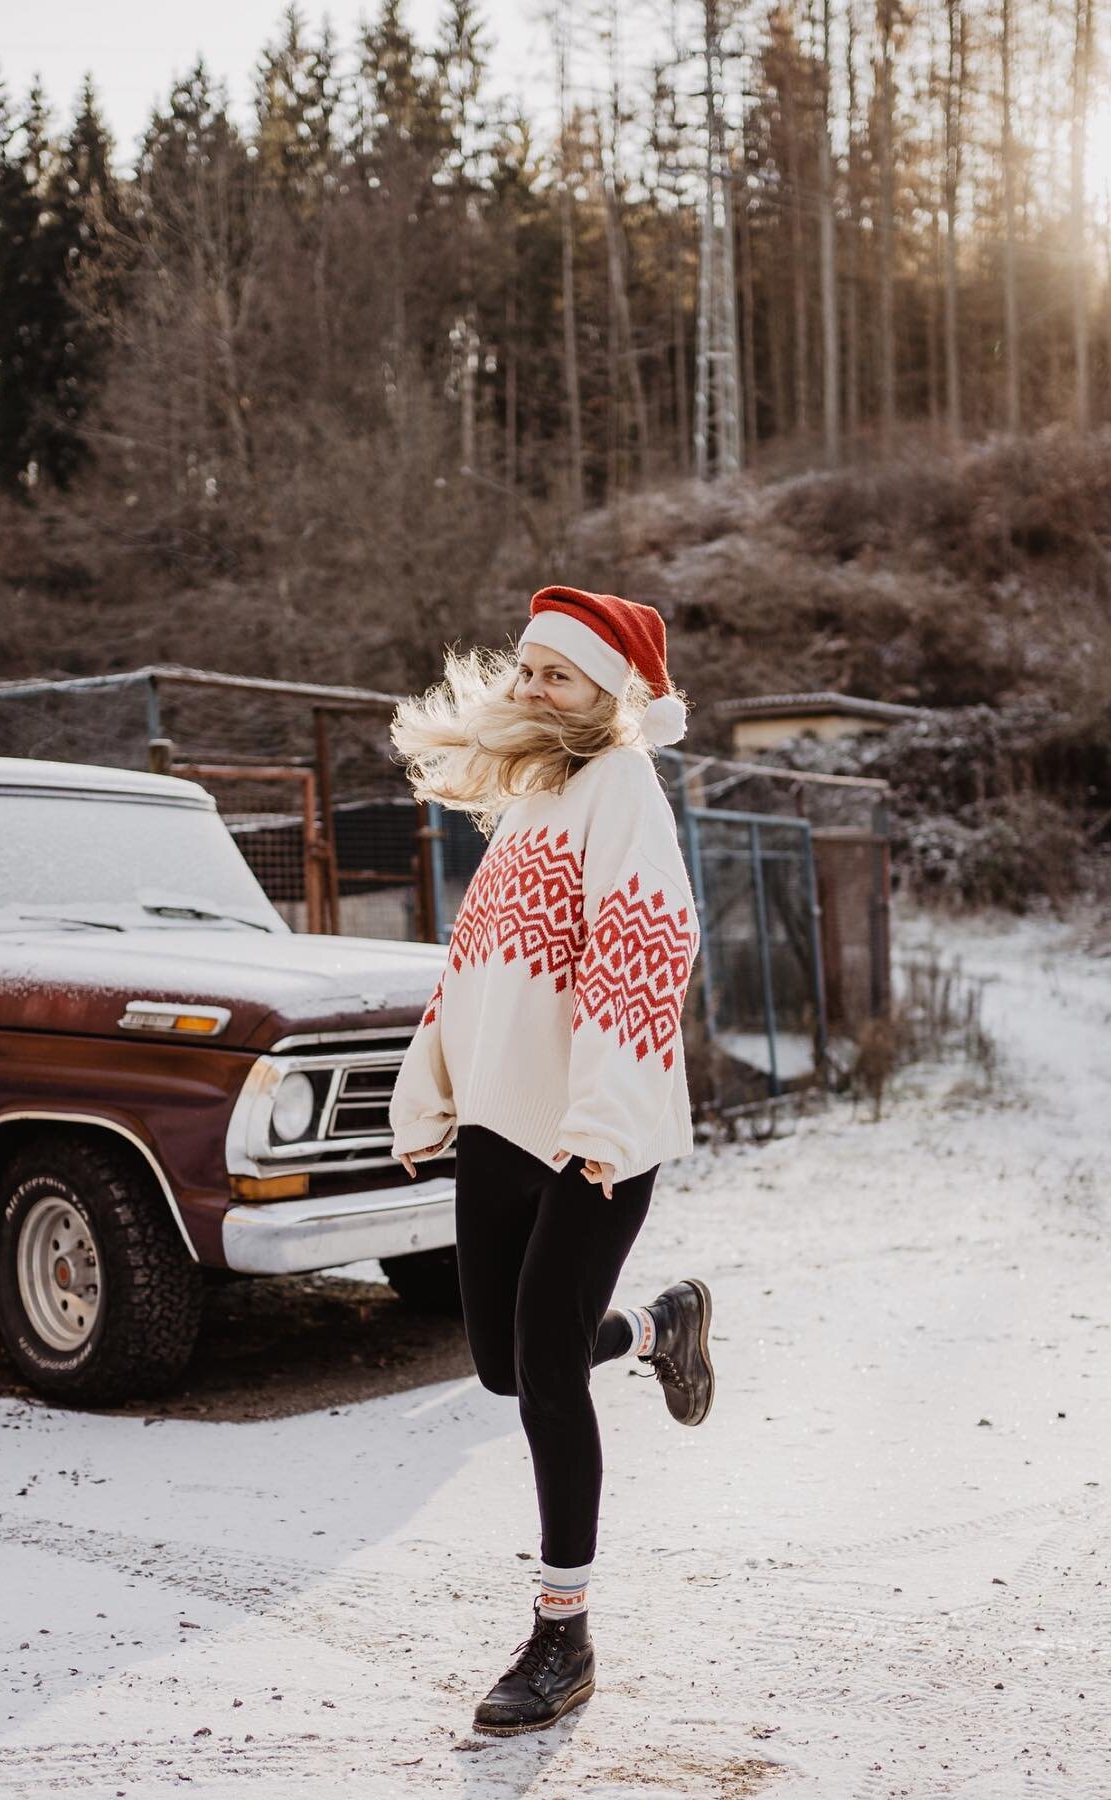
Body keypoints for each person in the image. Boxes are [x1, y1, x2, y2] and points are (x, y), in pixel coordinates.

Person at [388, 584, 715, 1737]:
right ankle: (661, 1330)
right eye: (526, 667)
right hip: (500, 1125)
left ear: (608, 696)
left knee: (543, 1373)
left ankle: (562, 1634)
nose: (529, 686)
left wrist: (605, 1123)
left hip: (591, 1136)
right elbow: (475, 964)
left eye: (557, 675)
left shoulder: (621, 787)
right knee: (501, 1364)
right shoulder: (535, 798)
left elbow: (647, 946)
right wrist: (430, 1092)